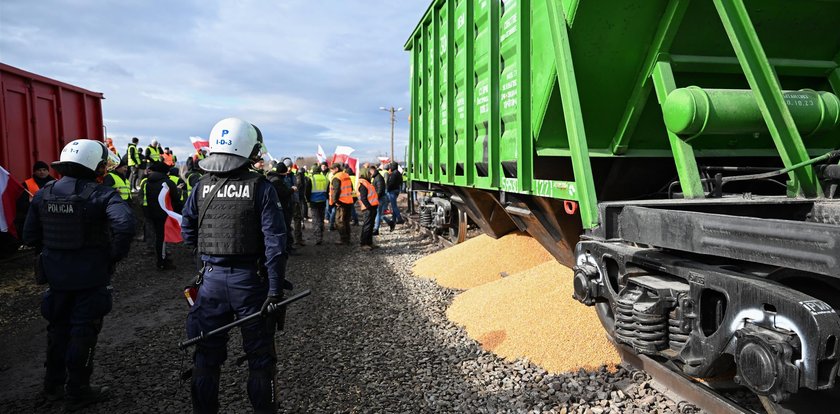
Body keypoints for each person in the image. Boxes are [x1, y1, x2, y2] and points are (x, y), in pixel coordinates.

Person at [181, 117, 288, 413]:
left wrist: (206, 263)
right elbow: (275, 244)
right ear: (247, 149)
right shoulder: (261, 188)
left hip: (211, 283)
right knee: (260, 358)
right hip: (250, 284)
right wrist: (275, 291)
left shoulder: (200, 186)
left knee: (205, 356)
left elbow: (188, 230)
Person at [23, 139, 134, 410]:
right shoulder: (101, 194)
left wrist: (51, 253)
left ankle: (52, 386)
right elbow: (125, 224)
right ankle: (78, 391)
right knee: (84, 332)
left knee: (57, 330)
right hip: (91, 276)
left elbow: (29, 235)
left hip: (56, 277)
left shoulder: (43, 193)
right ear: (94, 165)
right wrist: (113, 255)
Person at [138, 161, 180, 270]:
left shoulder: (148, 182)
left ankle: (161, 259)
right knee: (163, 238)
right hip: (165, 214)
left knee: (158, 237)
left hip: (152, 213)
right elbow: (176, 198)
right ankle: (162, 262)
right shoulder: (168, 182)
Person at [266, 163, 295, 254]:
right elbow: (283, 193)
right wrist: (292, 190)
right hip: (281, 208)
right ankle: (287, 248)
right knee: (285, 227)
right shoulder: (277, 181)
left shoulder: (270, 178)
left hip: (275, 207)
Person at [329, 163, 354, 245]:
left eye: (332, 169)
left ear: (336, 169)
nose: (331, 171)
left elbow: (336, 191)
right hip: (349, 201)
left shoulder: (336, 177)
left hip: (341, 202)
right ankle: (348, 238)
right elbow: (351, 188)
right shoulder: (346, 175)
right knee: (346, 221)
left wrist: (335, 201)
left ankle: (344, 239)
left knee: (339, 221)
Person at [356, 169, 380, 250]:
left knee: (370, 226)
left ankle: (369, 243)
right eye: (369, 174)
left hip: (372, 207)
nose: (370, 175)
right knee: (367, 226)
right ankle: (364, 243)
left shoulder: (366, 183)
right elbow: (363, 198)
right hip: (368, 208)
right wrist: (369, 207)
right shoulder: (363, 184)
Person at [307, 162, 329, 245]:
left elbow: (307, 191)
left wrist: (308, 200)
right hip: (323, 201)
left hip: (314, 202)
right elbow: (328, 190)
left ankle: (318, 237)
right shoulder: (325, 178)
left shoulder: (311, 179)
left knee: (315, 219)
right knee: (321, 218)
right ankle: (321, 234)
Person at [369, 164, 395, 235]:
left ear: (372, 171)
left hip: (380, 198)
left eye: (370, 172)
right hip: (380, 198)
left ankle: (376, 229)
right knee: (379, 214)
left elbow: (379, 189)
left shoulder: (378, 178)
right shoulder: (377, 177)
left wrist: (376, 198)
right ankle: (390, 223)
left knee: (377, 214)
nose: (370, 174)